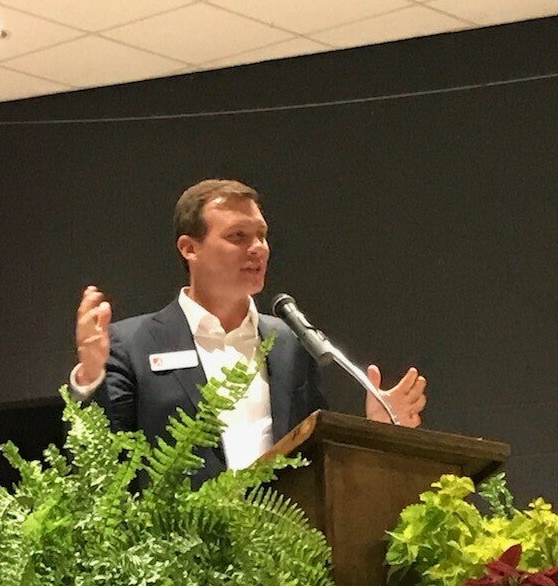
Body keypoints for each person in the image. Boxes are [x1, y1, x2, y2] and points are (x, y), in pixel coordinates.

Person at [72, 179, 426, 484]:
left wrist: (374, 432)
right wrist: (90, 378)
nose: (257, 248)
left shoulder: (290, 342)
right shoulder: (134, 344)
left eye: (261, 235)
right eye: (237, 236)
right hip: (181, 555)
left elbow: (314, 458)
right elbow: (99, 459)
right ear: (189, 248)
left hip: (280, 548)